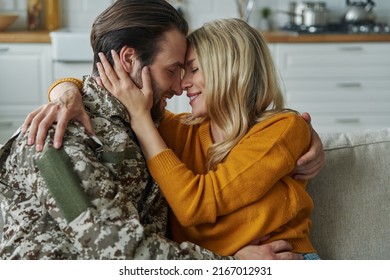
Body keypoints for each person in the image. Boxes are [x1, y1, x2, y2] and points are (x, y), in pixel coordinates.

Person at [0, 0, 304, 260]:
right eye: (173, 70)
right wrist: (228, 264)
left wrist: (306, 139)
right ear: (129, 59)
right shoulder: (60, 139)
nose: (179, 87)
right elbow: (118, 253)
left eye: (187, 71)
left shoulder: (146, 123)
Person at [95, 18, 321, 259]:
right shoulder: (179, 129)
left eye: (193, 69)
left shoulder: (283, 128)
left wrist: (141, 120)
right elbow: (93, 95)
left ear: (230, 68)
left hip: (281, 259)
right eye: (180, 71)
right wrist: (63, 92)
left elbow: (197, 205)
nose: (182, 84)